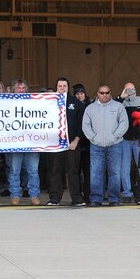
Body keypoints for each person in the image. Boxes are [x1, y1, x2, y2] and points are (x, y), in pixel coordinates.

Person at [81, 84, 128, 206]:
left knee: (115, 172)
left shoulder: (118, 107)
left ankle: (114, 199)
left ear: (110, 93)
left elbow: (124, 123)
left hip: (115, 145)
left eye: (107, 92)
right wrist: (93, 137)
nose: (105, 95)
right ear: (97, 93)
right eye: (102, 93)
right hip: (96, 146)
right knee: (96, 172)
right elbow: (85, 125)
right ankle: (96, 199)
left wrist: (115, 136)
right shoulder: (90, 108)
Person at [46, 78, 84, 206]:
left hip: (72, 144)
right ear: (56, 87)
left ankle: (77, 198)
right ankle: (54, 198)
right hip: (55, 144)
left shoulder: (75, 103)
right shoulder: (48, 103)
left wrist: (76, 140)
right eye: (60, 86)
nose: (62, 88)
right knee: (55, 170)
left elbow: (81, 124)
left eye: (64, 86)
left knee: (73, 171)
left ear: (68, 87)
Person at [119, 82, 140, 202]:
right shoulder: (120, 103)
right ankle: (127, 194)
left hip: (138, 140)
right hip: (124, 140)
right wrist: (122, 97)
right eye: (127, 89)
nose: (130, 92)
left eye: (132, 89)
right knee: (124, 168)